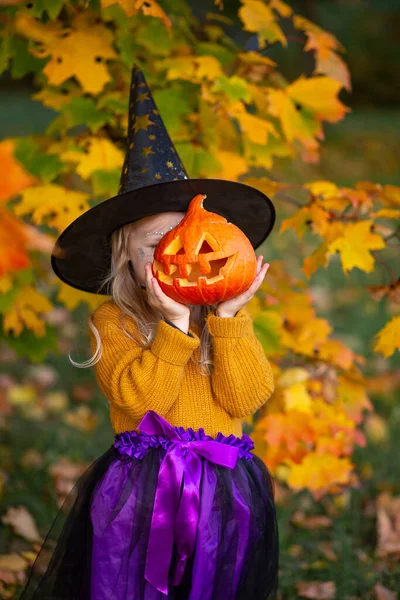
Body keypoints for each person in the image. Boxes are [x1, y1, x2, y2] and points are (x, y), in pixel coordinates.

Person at [20, 65, 279, 600]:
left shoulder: (227, 323)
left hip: (226, 485)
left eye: (187, 238)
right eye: (155, 243)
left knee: (214, 581)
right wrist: (175, 327)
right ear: (128, 261)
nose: (176, 253)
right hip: (144, 487)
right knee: (132, 581)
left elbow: (246, 395)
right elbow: (142, 401)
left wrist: (227, 320)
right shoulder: (115, 322)